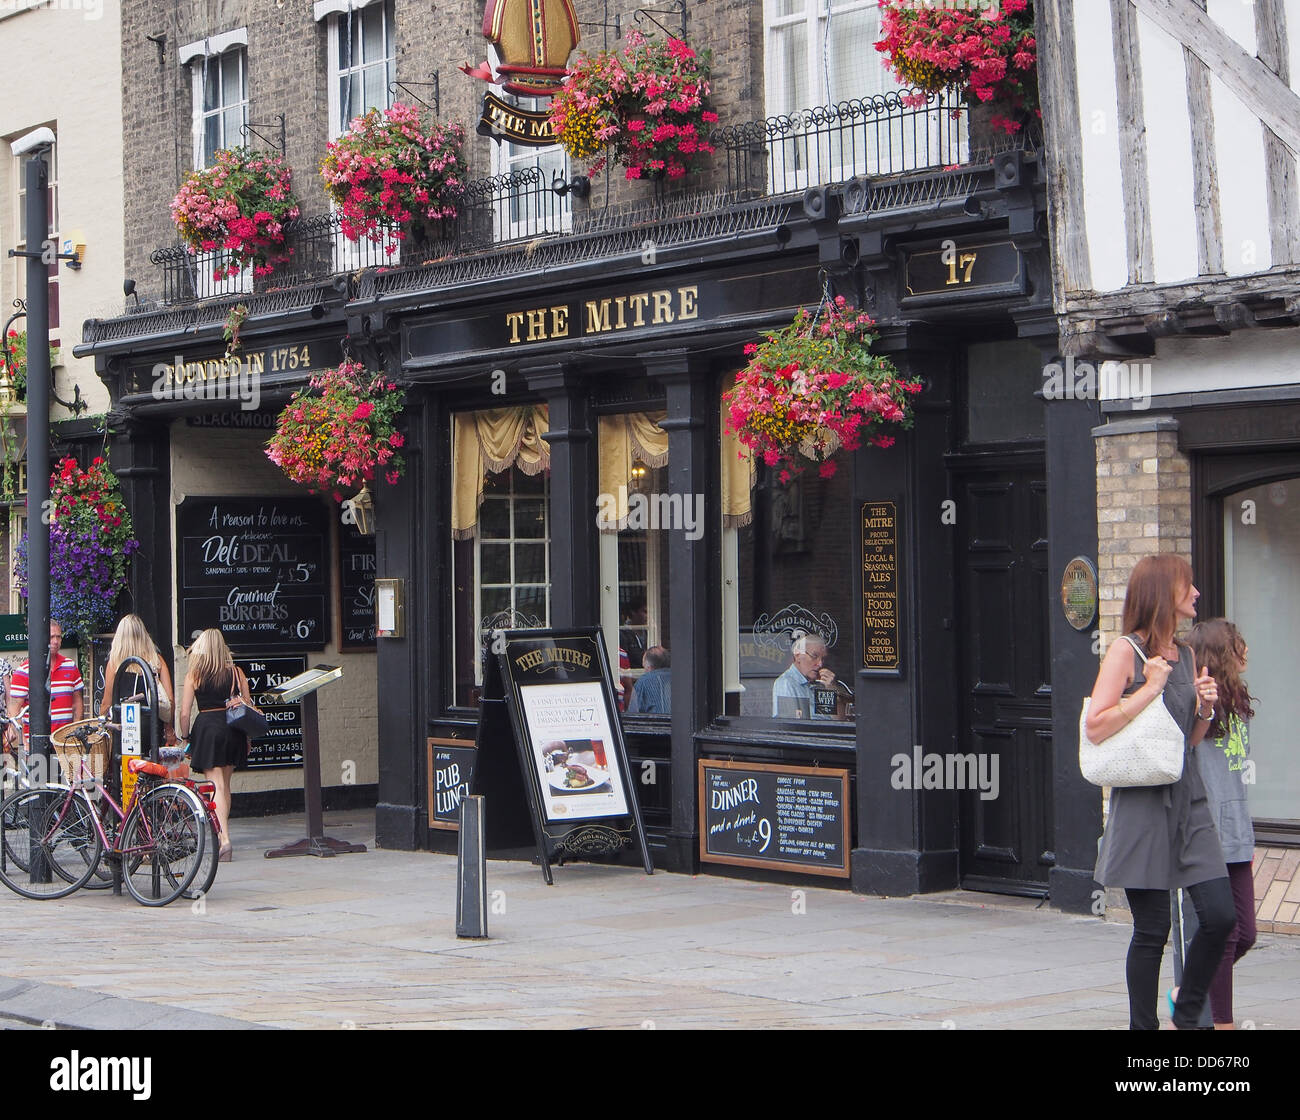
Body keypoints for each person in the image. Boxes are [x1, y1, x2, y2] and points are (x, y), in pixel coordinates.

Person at [1086, 554, 1235, 1030]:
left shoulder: (1187, 653)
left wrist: (1206, 711)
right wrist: (1148, 689)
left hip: (1188, 800)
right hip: (1143, 805)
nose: (1195, 593)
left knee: (1220, 916)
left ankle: (1186, 1010)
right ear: (1162, 594)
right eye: (1186, 586)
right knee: (1152, 930)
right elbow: (1094, 727)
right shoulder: (1125, 652)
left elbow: (1183, 744)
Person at [1188, 618, 1257, 1030]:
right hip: (1208, 829)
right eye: (1238, 645)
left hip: (1238, 829)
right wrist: (1200, 706)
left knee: (1245, 933)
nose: (1245, 651)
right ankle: (1222, 1023)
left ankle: (1190, 988)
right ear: (1222, 654)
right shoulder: (1199, 705)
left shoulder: (1239, 701)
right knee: (1226, 933)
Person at [176, 629, 255, 863]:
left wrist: (185, 736)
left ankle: (224, 840)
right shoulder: (236, 673)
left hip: (208, 729)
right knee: (225, 786)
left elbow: (184, 712)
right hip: (232, 729)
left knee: (217, 785)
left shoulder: (195, 674)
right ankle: (222, 834)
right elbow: (248, 706)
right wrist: (248, 738)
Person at [5, 619, 84, 745]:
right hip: (35, 744)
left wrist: (75, 733)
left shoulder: (70, 666)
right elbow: (14, 711)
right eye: (51, 637)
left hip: (64, 743)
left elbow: (77, 702)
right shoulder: (24, 671)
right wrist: (24, 745)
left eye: (58, 637)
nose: (56, 641)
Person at [99, 614, 175, 740]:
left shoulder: (114, 663)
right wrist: (169, 729)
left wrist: (101, 725)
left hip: (124, 728)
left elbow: (106, 702)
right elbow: (169, 699)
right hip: (152, 727)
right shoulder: (157, 660)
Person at [771, 633, 844, 719]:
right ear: (798, 656)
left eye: (823, 659)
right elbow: (791, 726)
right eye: (814, 656)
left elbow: (837, 721)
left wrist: (832, 692)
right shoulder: (786, 683)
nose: (820, 664)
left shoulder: (820, 683)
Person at [628, 646, 671, 714]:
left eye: (644, 667)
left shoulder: (643, 682)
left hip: (654, 724)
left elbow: (633, 714)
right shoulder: (680, 678)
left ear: (649, 667)